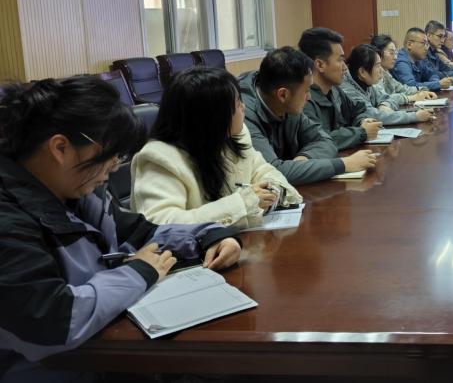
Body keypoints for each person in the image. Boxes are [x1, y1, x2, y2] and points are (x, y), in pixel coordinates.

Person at [0, 76, 240, 382]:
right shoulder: (8, 219)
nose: (114, 168)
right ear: (61, 148)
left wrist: (210, 235)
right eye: (111, 155)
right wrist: (139, 272)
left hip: (106, 356)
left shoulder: (76, 191)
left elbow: (139, 232)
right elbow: (50, 321)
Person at [131, 67, 301, 228]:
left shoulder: (233, 136)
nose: (243, 107)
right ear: (213, 116)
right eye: (237, 103)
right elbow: (161, 223)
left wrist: (271, 191)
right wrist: (243, 203)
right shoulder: (160, 158)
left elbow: (263, 170)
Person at [239, 46, 376, 186]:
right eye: (306, 91)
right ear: (283, 94)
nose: (309, 97)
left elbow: (325, 141)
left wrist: (304, 160)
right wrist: (344, 164)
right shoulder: (243, 115)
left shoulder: (288, 104)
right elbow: (273, 172)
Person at [296, 27, 383, 149]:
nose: (345, 67)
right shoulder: (303, 99)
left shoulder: (334, 90)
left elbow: (358, 109)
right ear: (320, 65)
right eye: (340, 60)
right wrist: (362, 132)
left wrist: (363, 121)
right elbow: (318, 139)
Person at [341, 44, 436, 125]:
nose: (381, 70)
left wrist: (384, 105)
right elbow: (374, 115)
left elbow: (386, 98)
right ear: (362, 72)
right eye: (377, 66)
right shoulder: (348, 91)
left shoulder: (364, 82)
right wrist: (415, 116)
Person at [369, 34, 436, 111]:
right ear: (377, 54)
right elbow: (383, 98)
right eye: (391, 53)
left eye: (396, 53)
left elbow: (402, 88)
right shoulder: (372, 73)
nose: (395, 57)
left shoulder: (386, 73)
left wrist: (421, 90)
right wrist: (411, 98)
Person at [393, 27, 453, 91]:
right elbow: (410, 85)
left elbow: (431, 74)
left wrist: (436, 82)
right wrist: (437, 84)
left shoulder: (418, 58)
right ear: (409, 44)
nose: (426, 48)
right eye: (423, 43)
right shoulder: (401, 61)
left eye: (427, 44)